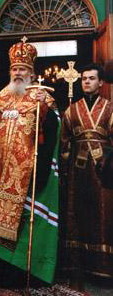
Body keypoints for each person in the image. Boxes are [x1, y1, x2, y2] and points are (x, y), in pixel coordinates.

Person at [0, 39, 59, 286]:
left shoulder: (42, 98)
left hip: (25, 172)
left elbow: (51, 131)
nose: (18, 73)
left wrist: (45, 110)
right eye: (15, 69)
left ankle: (19, 271)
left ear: (32, 73)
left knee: (22, 222)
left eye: (23, 69)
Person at [60, 63, 113, 293]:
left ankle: (102, 268)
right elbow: (64, 142)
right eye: (84, 79)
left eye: (91, 78)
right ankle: (77, 267)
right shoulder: (72, 110)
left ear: (101, 83)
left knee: (103, 216)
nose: (87, 82)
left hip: (104, 172)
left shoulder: (110, 108)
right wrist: (64, 166)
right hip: (77, 171)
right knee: (78, 214)